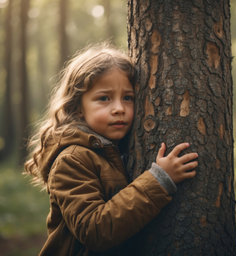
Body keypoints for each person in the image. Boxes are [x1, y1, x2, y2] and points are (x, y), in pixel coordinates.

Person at [24, 44, 199, 256]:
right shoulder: (71, 160)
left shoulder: (117, 149)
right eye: (104, 98)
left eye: (128, 98)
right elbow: (94, 230)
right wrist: (158, 180)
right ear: (78, 107)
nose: (119, 108)